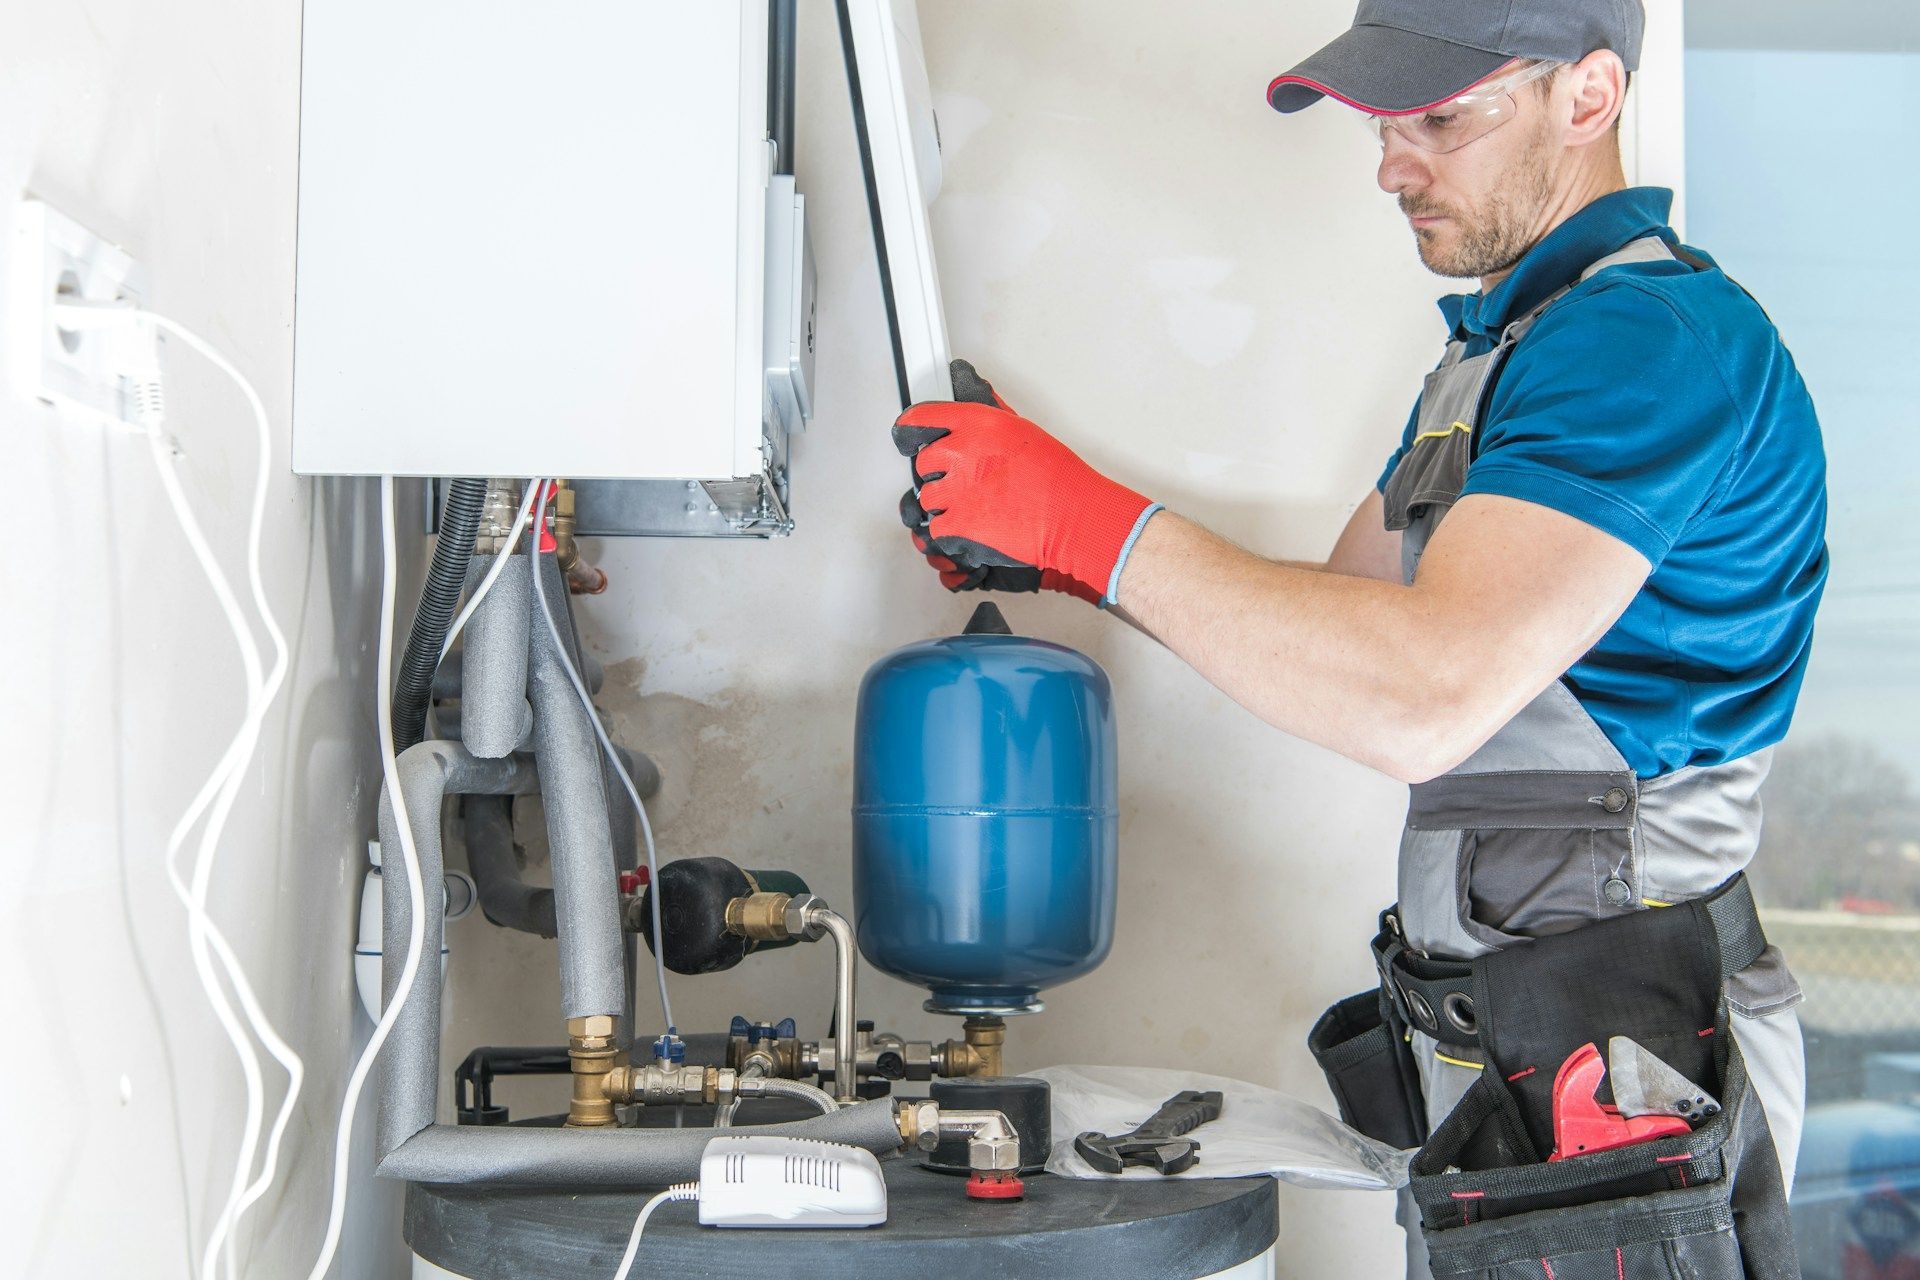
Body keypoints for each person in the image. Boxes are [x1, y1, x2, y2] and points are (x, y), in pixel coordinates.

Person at [889, 1, 1828, 1274]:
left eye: (1440, 116)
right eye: (1384, 122)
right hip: (1533, 1049)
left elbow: (1418, 692)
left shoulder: (1646, 342)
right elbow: (1337, 626)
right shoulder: (1508, 353)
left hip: (1632, 1060)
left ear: (1589, 95)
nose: (1391, 163)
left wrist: (1094, 521)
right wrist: (1060, 554)